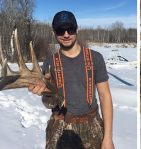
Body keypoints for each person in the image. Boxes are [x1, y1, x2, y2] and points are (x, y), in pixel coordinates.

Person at [28, 11, 115, 149]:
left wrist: (108, 138)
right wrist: (45, 95)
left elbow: (105, 96)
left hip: (92, 126)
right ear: (53, 32)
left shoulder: (95, 58)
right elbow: (48, 103)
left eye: (71, 29)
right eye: (61, 30)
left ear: (77, 29)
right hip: (60, 127)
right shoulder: (49, 63)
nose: (66, 34)